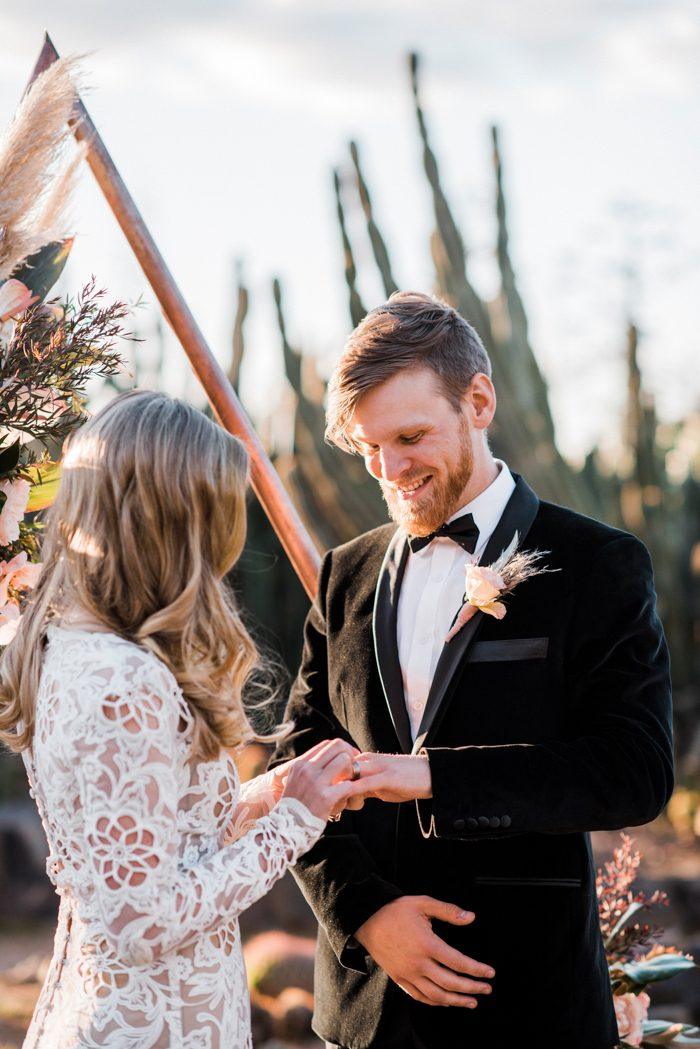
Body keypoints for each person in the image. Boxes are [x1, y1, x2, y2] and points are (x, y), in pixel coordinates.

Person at [271, 291, 674, 1049]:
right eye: (368, 448)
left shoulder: (597, 564)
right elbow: (297, 763)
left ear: (479, 400)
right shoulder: (343, 574)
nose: (389, 470)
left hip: (526, 1005)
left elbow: (636, 771)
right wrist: (362, 913)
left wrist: (435, 777)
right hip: (364, 1012)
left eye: (411, 435)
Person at [0, 390, 364, 1049]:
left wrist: (269, 793)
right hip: (150, 1026)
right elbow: (143, 921)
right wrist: (294, 823)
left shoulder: (65, 647)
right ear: (176, 523)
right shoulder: (124, 680)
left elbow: (144, 843)